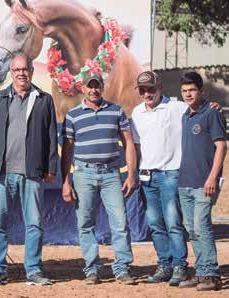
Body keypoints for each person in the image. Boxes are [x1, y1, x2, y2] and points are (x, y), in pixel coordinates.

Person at [0, 53, 58, 286]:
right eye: (17, 70)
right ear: (10, 73)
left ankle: (33, 270)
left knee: (34, 223)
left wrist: (50, 165)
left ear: (32, 71)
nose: (21, 73)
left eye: (25, 69)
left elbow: (52, 134)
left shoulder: (43, 99)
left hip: (32, 172)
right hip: (2, 174)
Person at [61, 74, 137, 285]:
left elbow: (129, 143)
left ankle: (122, 268)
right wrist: (66, 181)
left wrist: (131, 175)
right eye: (90, 86)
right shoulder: (73, 115)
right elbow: (67, 150)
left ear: (102, 87)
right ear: (83, 88)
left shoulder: (116, 111)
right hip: (83, 174)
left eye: (97, 86)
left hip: (112, 174)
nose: (94, 90)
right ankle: (92, 269)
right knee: (85, 223)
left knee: (120, 222)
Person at [130, 71, 189, 286]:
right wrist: (134, 174)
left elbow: (200, 111)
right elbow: (136, 147)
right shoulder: (136, 113)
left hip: (171, 173)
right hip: (147, 176)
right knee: (155, 223)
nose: (147, 93)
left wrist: (214, 107)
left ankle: (180, 265)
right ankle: (165, 264)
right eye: (143, 90)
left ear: (159, 87)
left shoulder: (176, 108)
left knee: (173, 222)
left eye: (150, 89)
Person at [175, 72, 226, 291]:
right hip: (184, 182)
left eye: (192, 90)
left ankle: (212, 275)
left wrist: (213, 177)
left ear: (201, 91)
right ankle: (201, 271)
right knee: (191, 229)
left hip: (204, 182)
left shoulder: (211, 113)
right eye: (185, 91)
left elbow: (221, 146)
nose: (188, 94)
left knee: (201, 226)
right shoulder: (186, 115)